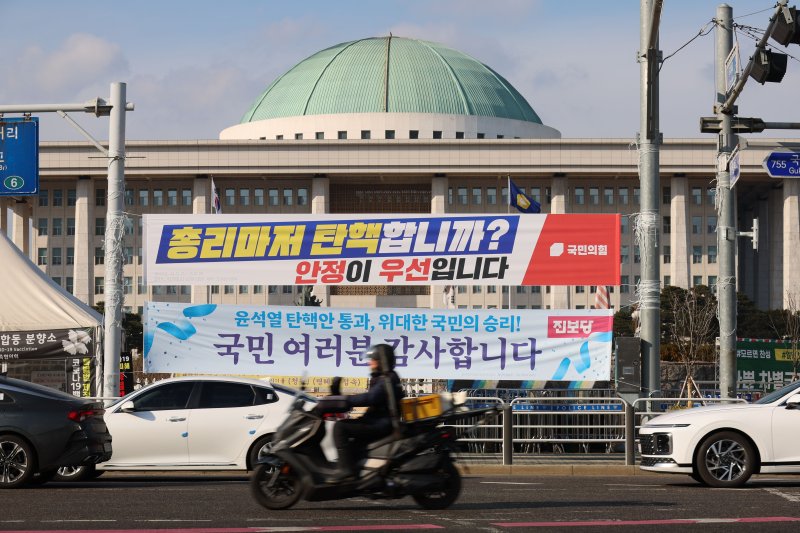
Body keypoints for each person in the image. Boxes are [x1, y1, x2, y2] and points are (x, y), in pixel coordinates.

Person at [329, 343, 404, 483]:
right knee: (352, 443)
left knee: (340, 427)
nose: (370, 362)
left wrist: (345, 399)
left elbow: (371, 397)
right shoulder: (383, 377)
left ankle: (345, 470)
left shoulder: (387, 379)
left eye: (373, 360)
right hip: (377, 420)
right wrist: (339, 396)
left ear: (382, 361)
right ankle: (359, 475)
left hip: (381, 423)